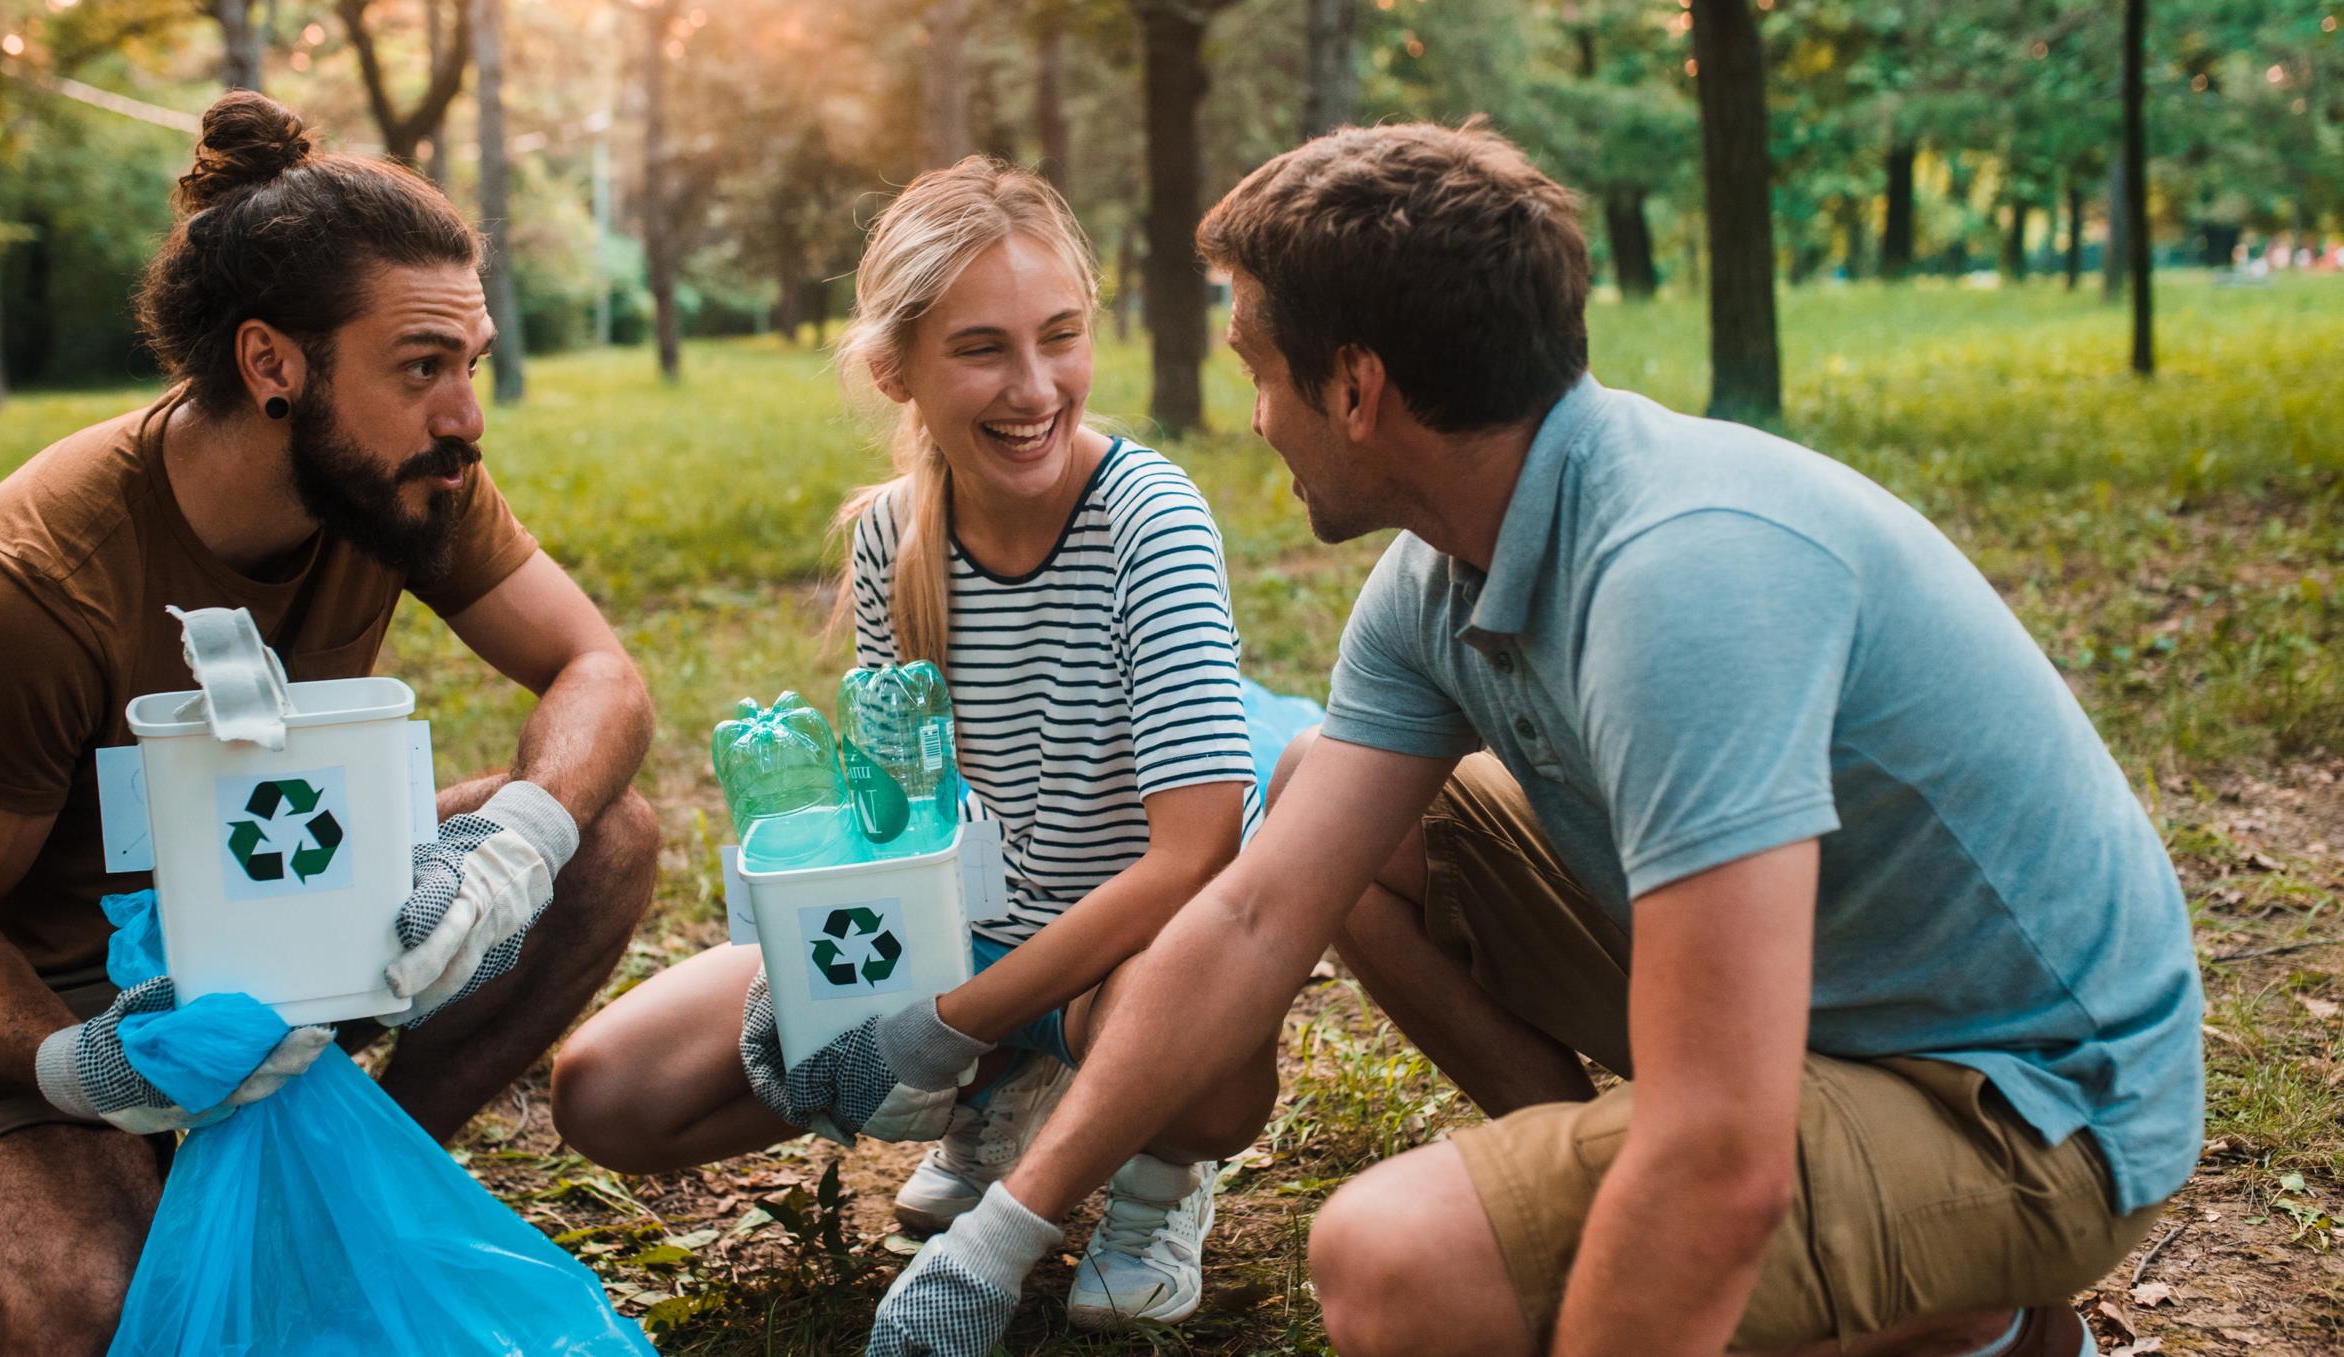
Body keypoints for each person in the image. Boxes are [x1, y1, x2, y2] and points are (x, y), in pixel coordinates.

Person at [863, 123, 2205, 1357]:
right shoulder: (1444, 572)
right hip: (1830, 1022)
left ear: (1357, 389)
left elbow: (1723, 1147)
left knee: (1397, 1263)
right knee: (1340, 810)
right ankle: (1755, 1247)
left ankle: (1954, 1311)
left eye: (1259, 372)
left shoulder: (1680, 579)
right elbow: (1264, 913)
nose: (1254, 417)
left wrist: (1656, 1212)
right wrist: (1007, 1227)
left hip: (2032, 1107)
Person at [0, 92, 661, 1356]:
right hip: (49, 997)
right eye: (420, 368)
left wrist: (514, 846)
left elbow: (596, 671)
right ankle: (31, 1173)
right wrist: (83, 1066)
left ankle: (350, 1185)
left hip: (294, 918)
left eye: (471, 364)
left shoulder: (412, 478)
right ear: (271, 362)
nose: (466, 416)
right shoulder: (26, 588)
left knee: (604, 840)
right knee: (93, 1318)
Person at [551, 156, 1276, 1332]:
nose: (1035, 386)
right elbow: (905, 824)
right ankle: (1009, 1091)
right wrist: (830, 977)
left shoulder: (1152, 517)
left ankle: (1154, 1174)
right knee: (609, 1092)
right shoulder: (895, 537)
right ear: (896, 368)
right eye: (981, 348)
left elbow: (1191, 861)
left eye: (1061, 336)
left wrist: (942, 1026)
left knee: (1219, 1054)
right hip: (967, 940)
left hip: (1124, 954)